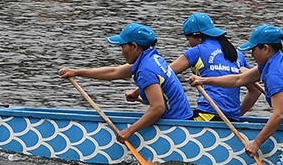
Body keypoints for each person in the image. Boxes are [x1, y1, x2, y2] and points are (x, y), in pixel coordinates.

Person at [185, 24, 283, 160]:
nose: (251, 55)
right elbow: (238, 80)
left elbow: (279, 115)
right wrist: (204, 80)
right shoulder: (276, 62)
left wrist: (256, 143)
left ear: (265, 48)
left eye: (253, 49)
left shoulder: (275, 74)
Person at [61, 22, 194, 143]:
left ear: (134, 46)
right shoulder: (153, 58)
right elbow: (113, 72)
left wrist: (129, 131)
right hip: (183, 119)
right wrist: (77, 72)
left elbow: (158, 108)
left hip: (176, 126)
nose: (122, 52)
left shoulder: (146, 70)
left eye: (122, 47)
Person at [167, 13, 243, 120]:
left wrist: (136, 92)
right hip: (233, 118)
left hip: (208, 114)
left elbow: (162, 73)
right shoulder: (237, 53)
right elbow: (255, 91)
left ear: (198, 37)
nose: (189, 43)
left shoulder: (197, 51)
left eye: (188, 39)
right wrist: (236, 115)